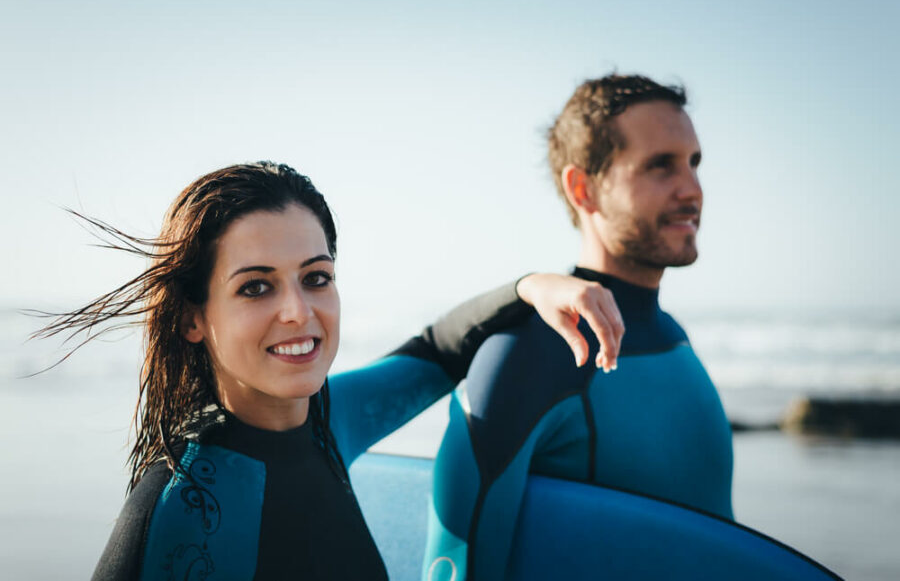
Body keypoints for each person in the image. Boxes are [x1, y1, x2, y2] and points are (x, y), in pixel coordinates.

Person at [33, 162, 624, 580]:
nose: (298, 312)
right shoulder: (182, 506)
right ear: (194, 318)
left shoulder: (329, 421)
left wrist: (536, 285)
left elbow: (440, 350)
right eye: (256, 287)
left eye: (316, 277)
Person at [423, 75, 734, 581]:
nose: (692, 190)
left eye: (694, 163)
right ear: (582, 188)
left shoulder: (673, 336)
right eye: (660, 166)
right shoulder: (530, 353)